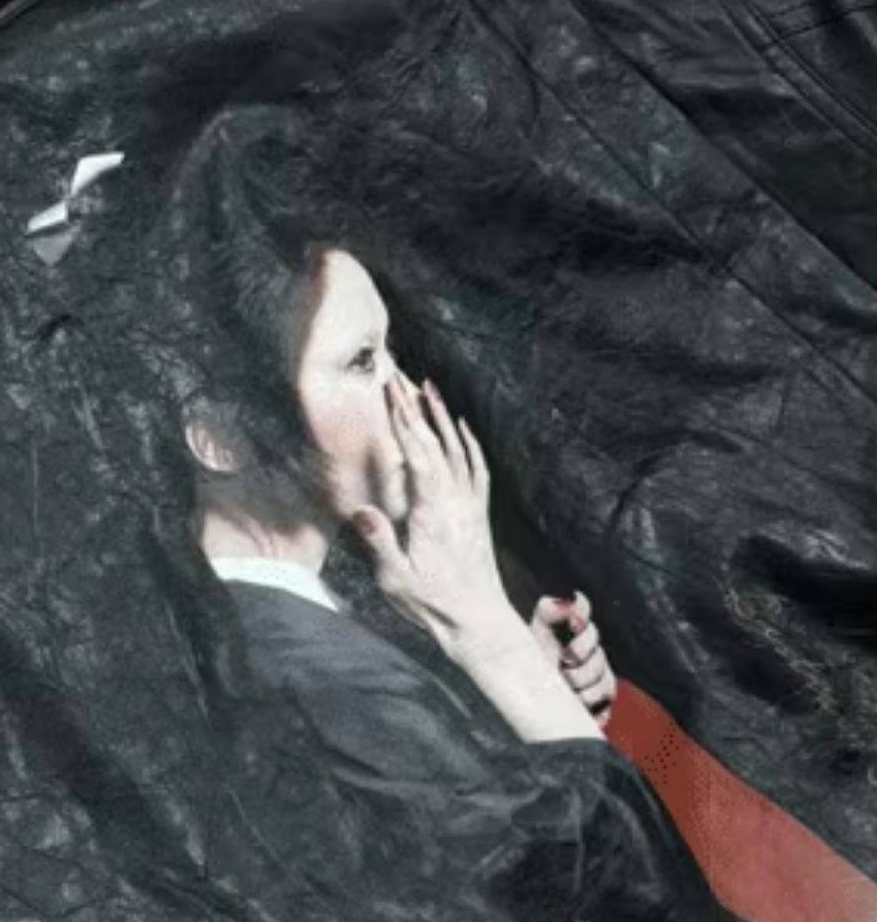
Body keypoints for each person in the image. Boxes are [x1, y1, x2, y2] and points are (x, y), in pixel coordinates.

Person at [174, 218, 615, 808]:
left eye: (390, 353)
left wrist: (529, 687)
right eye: (362, 362)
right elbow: (625, 859)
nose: (405, 391)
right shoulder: (314, 670)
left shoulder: (300, 608)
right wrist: (491, 635)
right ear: (219, 436)